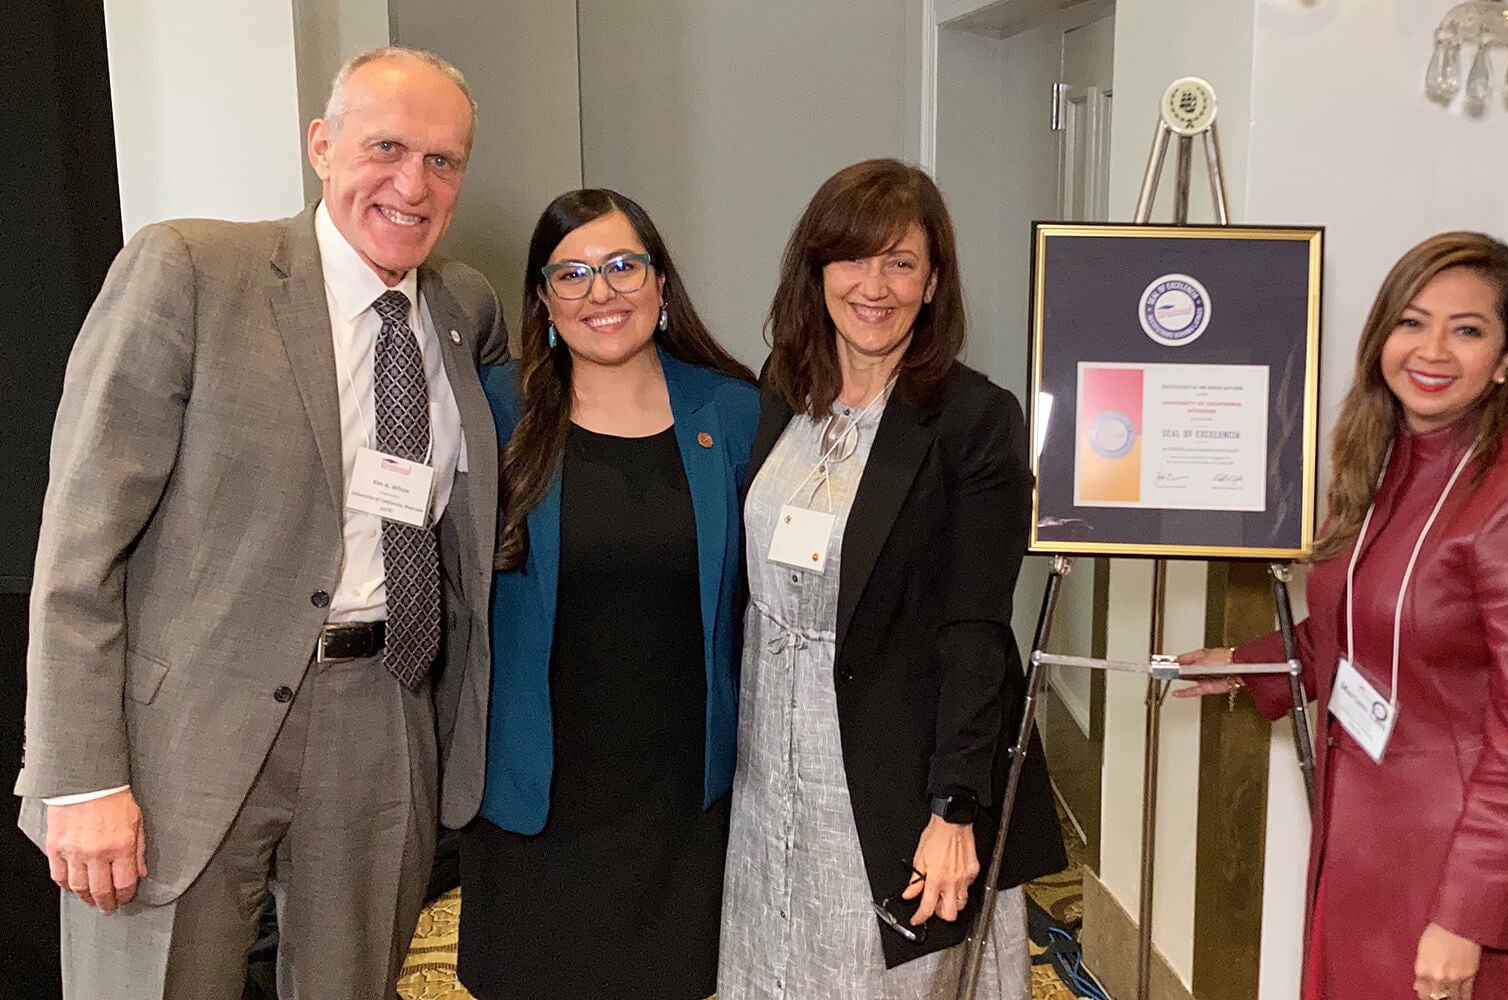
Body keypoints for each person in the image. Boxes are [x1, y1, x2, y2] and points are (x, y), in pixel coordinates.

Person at [15, 47, 508, 998]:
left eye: (443, 161)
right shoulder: (192, 268)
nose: (413, 183)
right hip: (184, 734)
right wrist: (78, 777)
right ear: (322, 146)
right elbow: (80, 545)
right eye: (387, 147)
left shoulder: (463, 307)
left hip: (384, 714)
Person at [1176, 233, 1508, 1000]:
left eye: (1467, 330)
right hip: (1363, 832)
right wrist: (1253, 663)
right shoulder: (1384, 456)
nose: (1432, 349)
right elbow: (1364, 625)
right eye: (1412, 320)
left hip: (1460, 868)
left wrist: (1467, 916)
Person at [718, 158, 1066, 999]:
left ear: (933, 280)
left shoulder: (975, 419)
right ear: (817, 271)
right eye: (853, 259)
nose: (875, 286)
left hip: (891, 768)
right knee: (772, 965)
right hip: (767, 765)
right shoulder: (779, 393)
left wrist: (954, 809)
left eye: (901, 262)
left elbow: (978, 628)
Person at [454, 188, 758, 998]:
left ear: (661, 285)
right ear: (544, 300)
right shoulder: (495, 410)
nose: (602, 291)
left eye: (624, 266)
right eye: (574, 273)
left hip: (678, 797)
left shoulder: (732, 413)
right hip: (535, 789)